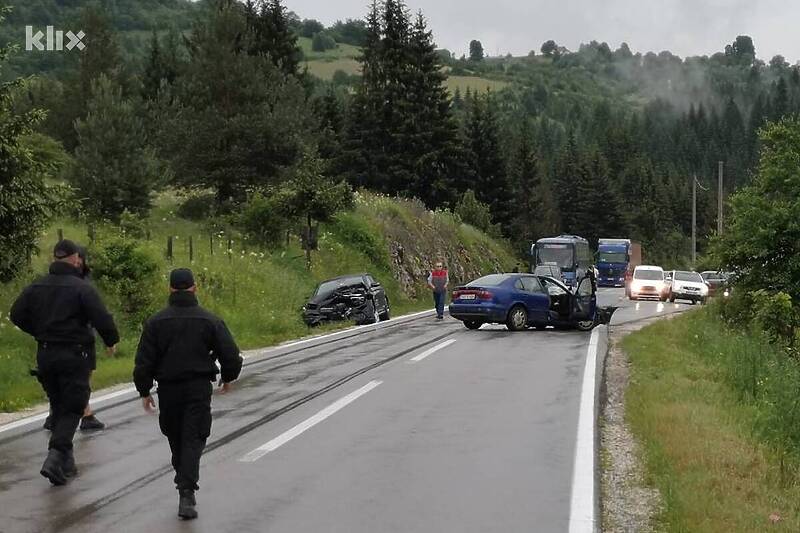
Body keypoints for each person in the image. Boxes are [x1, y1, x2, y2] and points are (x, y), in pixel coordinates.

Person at [134, 268, 242, 520]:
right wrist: (227, 377)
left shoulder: (155, 322)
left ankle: (184, 483)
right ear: (194, 288)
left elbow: (144, 361)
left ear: (170, 289)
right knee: (194, 438)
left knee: (176, 438)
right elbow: (230, 354)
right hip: (197, 388)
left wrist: (144, 390)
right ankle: (186, 491)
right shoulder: (209, 320)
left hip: (168, 389)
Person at [10, 239, 119, 486]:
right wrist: (111, 340)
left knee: (58, 404)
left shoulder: (36, 286)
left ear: (55, 257)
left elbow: (16, 314)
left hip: (46, 354)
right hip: (75, 354)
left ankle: (67, 464)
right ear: (75, 259)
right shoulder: (81, 288)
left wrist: (39, 331)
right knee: (73, 406)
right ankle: (56, 455)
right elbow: (101, 317)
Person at [42, 246, 105, 431]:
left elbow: (97, 312)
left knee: (83, 377)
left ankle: (64, 413)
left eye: (80, 259)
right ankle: (82, 415)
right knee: (77, 380)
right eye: (75, 259)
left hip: (81, 337)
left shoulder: (83, 282)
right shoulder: (70, 283)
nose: (77, 263)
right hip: (72, 340)